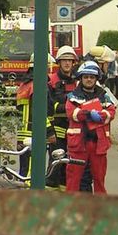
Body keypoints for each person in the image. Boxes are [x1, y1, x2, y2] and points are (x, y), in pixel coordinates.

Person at [64, 61, 115, 193]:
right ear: (81, 78)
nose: (88, 80)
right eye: (86, 77)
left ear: (96, 79)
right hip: (78, 145)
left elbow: (111, 112)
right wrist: (88, 114)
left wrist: (100, 115)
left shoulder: (103, 96)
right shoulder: (73, 96)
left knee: (99, 179)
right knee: (73, 180)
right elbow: (72, 113)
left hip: (98, 144)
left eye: (92, 77)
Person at [15, 54, 56, 179]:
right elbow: (39, 111)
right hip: (35, 133)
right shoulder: (38, 85)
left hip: (23, 133)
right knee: (33, 172)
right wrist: (50, 132)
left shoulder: (24, 84)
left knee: (24, 169)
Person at [47, 45, 79, 189]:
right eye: (64, 60)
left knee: (70, 165)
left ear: (74, 63)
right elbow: (49, 106)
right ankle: (50, 192)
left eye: (70, 60)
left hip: (73, 130)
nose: (67, 63)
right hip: (57, 129)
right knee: (56, 164)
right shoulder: (52, 81)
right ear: (58, 62)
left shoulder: (78, 81)